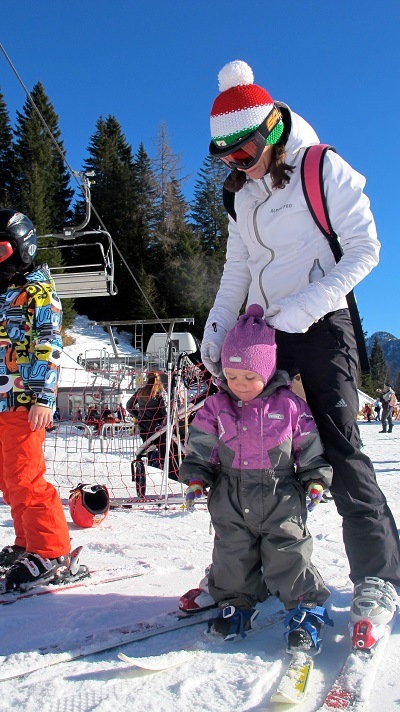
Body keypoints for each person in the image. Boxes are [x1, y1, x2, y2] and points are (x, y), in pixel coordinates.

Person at [189, 60, 400, 637]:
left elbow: (366, 248)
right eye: (226, 158)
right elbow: (238, 268)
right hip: (263, 333)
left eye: (245, 151)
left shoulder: (320, 167)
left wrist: (308, 303)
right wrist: (218, 324)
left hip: (322, 323)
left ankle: (378, 575)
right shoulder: (241, 196)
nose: (239, 164)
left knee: (337, 443)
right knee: (251, 450)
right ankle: (240, 575)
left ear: (273, 129)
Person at [179, 305, 333, 650]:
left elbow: (308, 446)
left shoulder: (290, 405)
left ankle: (307, 606)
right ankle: (236, 601)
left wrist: (315, 478)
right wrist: (196, 477)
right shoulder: (216, 407)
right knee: (232, 552)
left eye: (249, 377)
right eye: (232, 378)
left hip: (280, 494)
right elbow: (201, 447)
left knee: (288, 550)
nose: (240, 385)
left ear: (266, 370)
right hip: (230, 495)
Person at [0, 209, 72, 590]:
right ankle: (27, 542)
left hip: (26, 402)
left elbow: (50, 346)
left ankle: (52, 550)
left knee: (26, 477)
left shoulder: (38, 292)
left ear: (20, 248)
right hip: (1, 401)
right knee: (9, 480)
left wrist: (45, 398)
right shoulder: (4, 292)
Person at [130, 371, 167, 440]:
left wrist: (139, 415)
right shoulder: (158, 394)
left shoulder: (140, 392)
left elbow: (129, 406)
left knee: (146, 448)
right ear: (158, 380)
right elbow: (163, 412)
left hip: (143, 426)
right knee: (161, 448)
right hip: (157, 427)